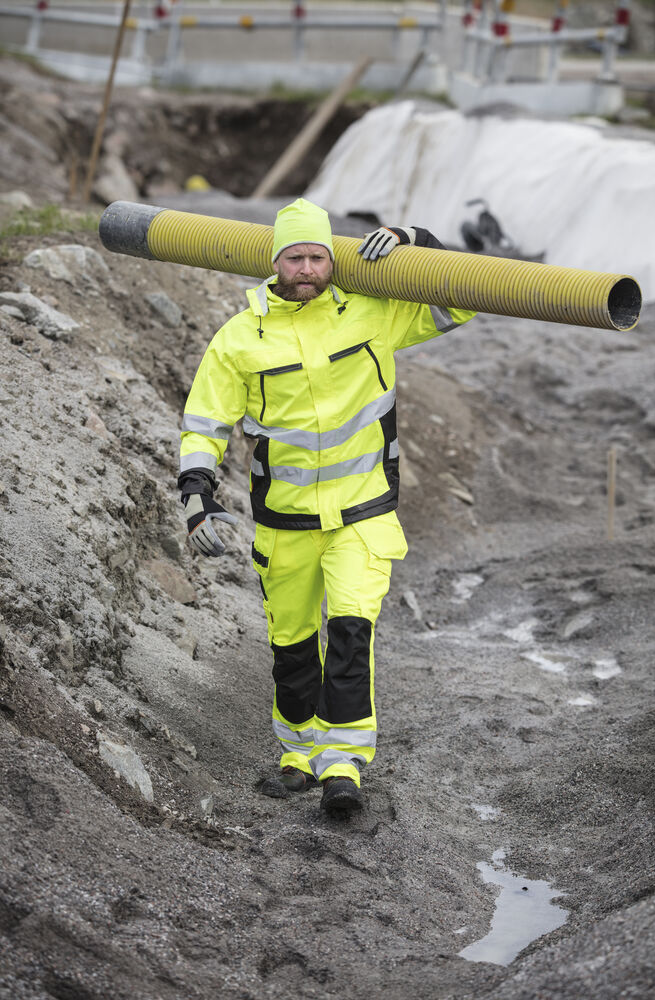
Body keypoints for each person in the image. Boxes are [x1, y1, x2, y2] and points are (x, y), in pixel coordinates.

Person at [178, 198, 476, 815]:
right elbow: (204, 423)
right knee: (291, 644)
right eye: (296, 257)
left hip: (363, 514)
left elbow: (460, 295)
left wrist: (415, 237)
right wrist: (197, 500)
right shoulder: (239, 339)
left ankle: (343, 766)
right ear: (276, 262)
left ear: (331, 257)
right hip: (283, 522)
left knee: (349, 632)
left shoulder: (372, 310)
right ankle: (296, 757)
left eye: (318, 256)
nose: (308, 268)